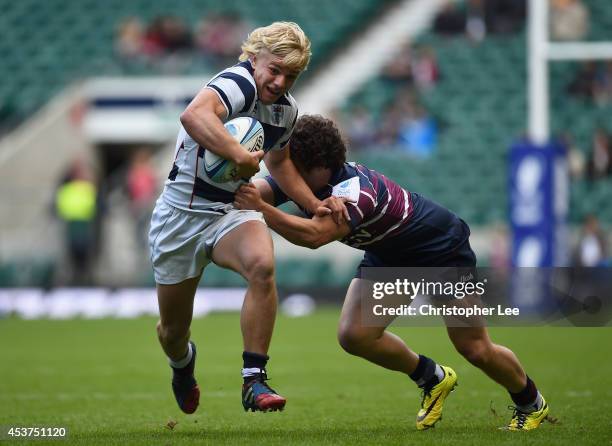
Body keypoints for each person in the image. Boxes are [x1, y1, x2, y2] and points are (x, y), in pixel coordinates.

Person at [234, 115, 550, 431]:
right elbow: (255, 190)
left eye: (299, 169)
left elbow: (314, 236)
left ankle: (530, 402)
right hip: (391, 254)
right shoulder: (305, 179)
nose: (292, 177)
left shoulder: (356, 193)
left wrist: (262, 210)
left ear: (323, 167)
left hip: (440, 249)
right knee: (354, 335)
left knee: (475, 347)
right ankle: (432, 377)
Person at [149, 23, 346, 415]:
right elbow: (194, 116)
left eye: (290, 75)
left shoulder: (286, 110)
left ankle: (254, 380)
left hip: (230, 210)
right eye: (274, 69)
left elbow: (280, 162)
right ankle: (182, 364)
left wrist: (313, 203)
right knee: (172, 332)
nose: (279, 81)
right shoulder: (237, 82)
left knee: (262, 265)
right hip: (179, 218)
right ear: (253, 57)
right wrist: (237, 155)